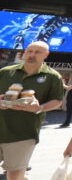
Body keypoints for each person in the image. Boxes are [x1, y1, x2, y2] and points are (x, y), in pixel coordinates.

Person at [0, 42, 65, 180]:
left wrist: (39, 108)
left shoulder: (53, 77)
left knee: (15, 175)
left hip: (23, 133)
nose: (32, 55)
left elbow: (57, 101)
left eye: (37, 52)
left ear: (46, 55)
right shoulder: (6, 71)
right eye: (29, 51)